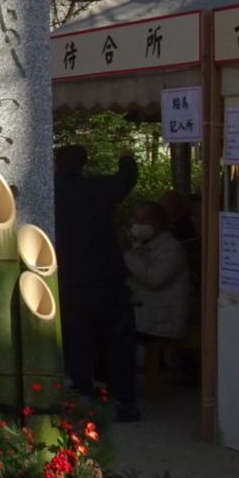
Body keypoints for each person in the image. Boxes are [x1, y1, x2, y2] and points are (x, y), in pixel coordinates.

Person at [54, 144, 141, 419]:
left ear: (56, 165)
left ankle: (80, 397)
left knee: (79, 341)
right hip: (105, 277)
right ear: (84, 165)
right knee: (119, 340)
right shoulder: (96, 188)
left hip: (68, 279)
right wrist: (126, 158)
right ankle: (122, 402)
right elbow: (126, 180)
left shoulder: (49, 190)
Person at [124, 202, 192, 339]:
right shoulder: (141, 246)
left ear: (161, 222)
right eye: (137, 219)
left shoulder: (172, 248)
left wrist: (127, 252)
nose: (140, 223)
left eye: (146, 219)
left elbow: (154, 279)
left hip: (161, 325)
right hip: (143, 320)